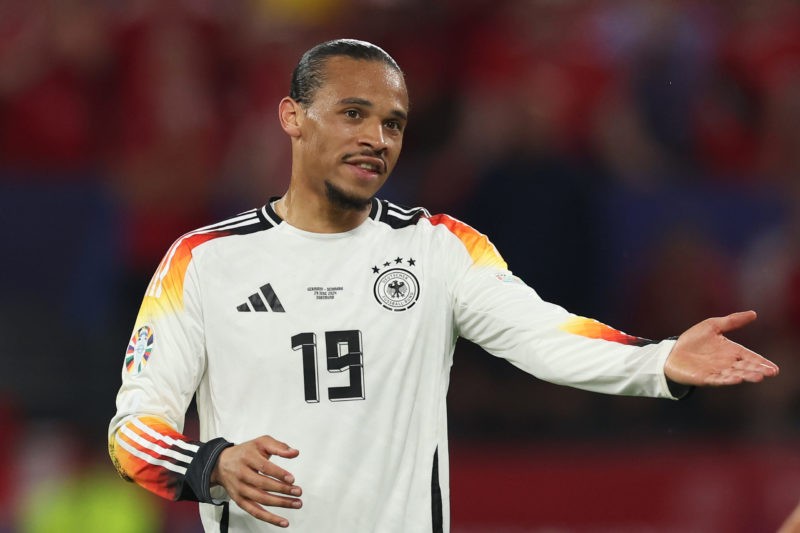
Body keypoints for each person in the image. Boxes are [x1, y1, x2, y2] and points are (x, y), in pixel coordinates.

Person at [107, 39, 779, 532]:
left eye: (393, 123)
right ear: (292, 117)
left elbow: (545, 336)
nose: (376, 137)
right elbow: (132, 428)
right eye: (353, 113)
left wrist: (657, 359)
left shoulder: (437, 248)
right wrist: (210, 462)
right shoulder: (201, 261)